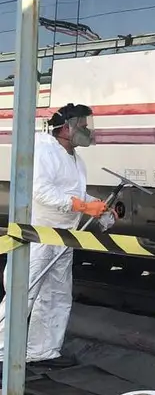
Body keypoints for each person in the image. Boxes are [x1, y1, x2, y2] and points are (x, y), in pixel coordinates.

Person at [0, 103, 113, 368]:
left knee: (56, 295)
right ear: (66, 127)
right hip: (38, 234)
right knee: (22, 292)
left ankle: (42, 352)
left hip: (64, 236)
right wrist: (84, 207)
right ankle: (2, 352)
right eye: (83, 126)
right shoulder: (43, 150)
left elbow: (71, 191)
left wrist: (96, 205)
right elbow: (41, 191)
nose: (88, 131)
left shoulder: (74, 158)